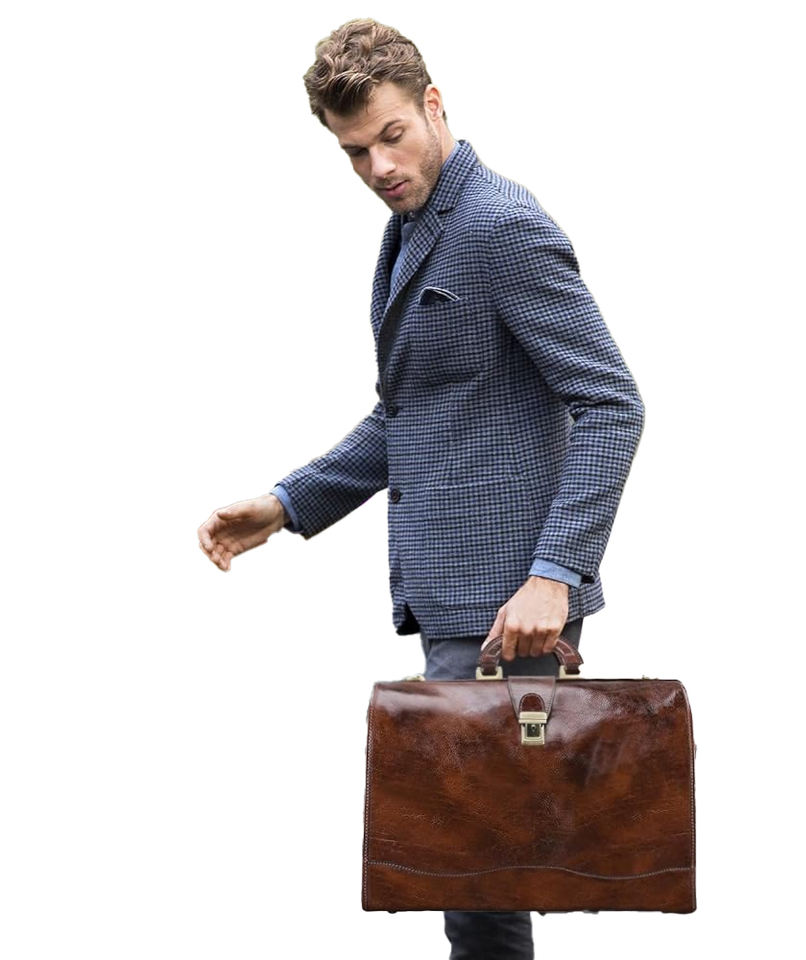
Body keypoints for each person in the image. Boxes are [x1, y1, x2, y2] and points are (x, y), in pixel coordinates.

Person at [197, 17, 644, 960]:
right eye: (354, 152)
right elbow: (414, 413)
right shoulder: (414, 228)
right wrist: (287, 504)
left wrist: (555, 576)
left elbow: (611, 403)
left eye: (391, 136)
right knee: (474, 874)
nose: (378, 167)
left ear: (434, 105)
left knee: (478, 878)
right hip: (455, 605)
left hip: (512, 616)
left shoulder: (501, 227)